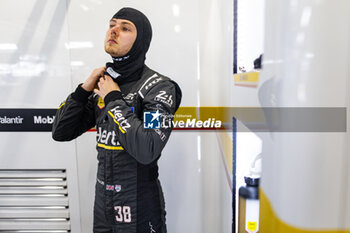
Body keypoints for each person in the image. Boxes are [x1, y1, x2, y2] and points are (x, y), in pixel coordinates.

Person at [52, 7, 182, 233]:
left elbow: (148, 146)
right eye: (112, 25)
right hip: (103, 202)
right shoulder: (104, 84)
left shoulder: (159, 88)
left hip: (139, 204)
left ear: (140, 39)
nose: (114, 30)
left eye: (125, 28)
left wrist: (113, 99)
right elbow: (61, 131)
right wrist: (83, 91)